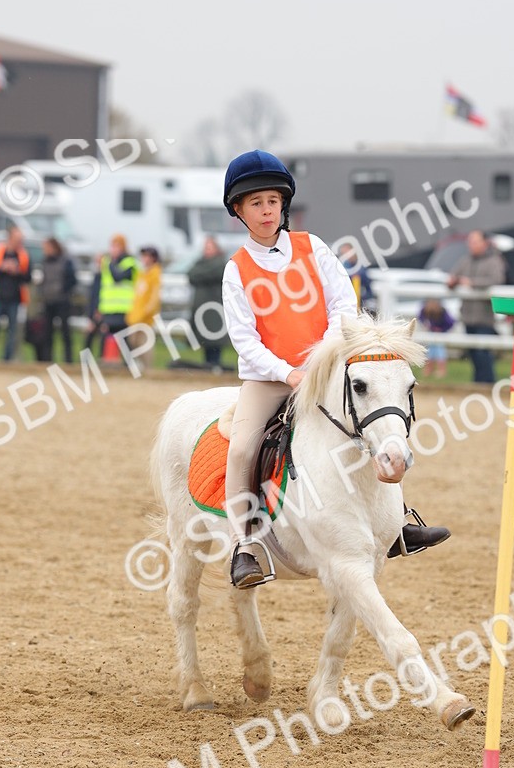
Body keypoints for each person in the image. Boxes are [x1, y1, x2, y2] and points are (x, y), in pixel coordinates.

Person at [221, 149, 450, 589]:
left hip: (326, 370)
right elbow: (244, 340)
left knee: (372, 425)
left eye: (272, 201)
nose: (266, 210)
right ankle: (244, 545)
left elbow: (343, 305)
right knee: (242, 448)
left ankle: (397, 523)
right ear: (239, 210)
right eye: (255, 203)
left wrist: (324, 359)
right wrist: (289, 373)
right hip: (269, 378)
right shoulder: (237, 269)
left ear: (283, 203)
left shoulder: (313, 247)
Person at [446, 231, 506, 384]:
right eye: (470, 241)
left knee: (483, 353)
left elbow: (496, 280)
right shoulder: (466, 260)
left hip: (484, 317)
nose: (471, 245)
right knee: (473, 353)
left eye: (475, 241)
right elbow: (454, 276)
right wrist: (453, 281)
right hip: (468, 315)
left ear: (485, 243)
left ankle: (488, 383)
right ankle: (478, 384)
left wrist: (471, 283)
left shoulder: (494, 260)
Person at [0, 226, 31, 360]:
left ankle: (7, 361)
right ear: (10, 238)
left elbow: (28, 277)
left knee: (12, 333)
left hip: (14, 300)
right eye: (17, 239)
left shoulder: (24, 255)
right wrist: (1, 268)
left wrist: (17, 271)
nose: (19, 242)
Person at [87, 234, 138, 357]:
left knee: (124, 339)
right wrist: (98, 308)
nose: (113, 249)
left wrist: (108, 263)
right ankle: (104, 364)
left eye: (116, 246)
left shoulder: (129, 262)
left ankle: (129, 366)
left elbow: (118, 277)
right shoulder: (109, 263)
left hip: (125, 309)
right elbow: (101, 288)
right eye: (112, 246)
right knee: (103, 337)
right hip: (108, 309)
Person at [188, 236, 227, 372]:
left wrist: (201, 275)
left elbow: (205, 274)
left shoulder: (220, 264)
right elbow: (191, 275)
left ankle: (215, 364)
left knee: (215, 337)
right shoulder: (200, 263)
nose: (207, 250)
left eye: (210, 247)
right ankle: (207, 365)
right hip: (201, 308)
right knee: (205, 338)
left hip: (215, 308)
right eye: (206, 247)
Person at [37, 238, 77, 363]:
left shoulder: (65, 261)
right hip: (48, 301)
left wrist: (63, 290)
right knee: (47, 334)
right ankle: (47, 360)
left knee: (65, 333)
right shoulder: (44, 262)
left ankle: (68, 360)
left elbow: (72, 280)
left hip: (62, 301)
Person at [418, 298, 453, 378]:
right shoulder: (425, 311)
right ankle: (428, 370)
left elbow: (450, 322)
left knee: (440, 352)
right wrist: (427, 326)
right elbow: (421, 318)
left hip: (440, 334)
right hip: (430, 333)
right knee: (430, 352)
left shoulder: (442, 312)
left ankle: (442, 371)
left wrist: (442, 330)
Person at [338, 242, 373, 309]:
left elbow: (369, 290)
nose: (346, 256)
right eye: (343, 254)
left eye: (347, 253)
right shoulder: (340, 268)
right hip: (345, 303)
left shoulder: (361, 269)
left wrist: (362, 297)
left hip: (359, 303)